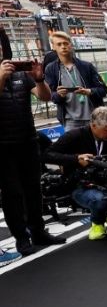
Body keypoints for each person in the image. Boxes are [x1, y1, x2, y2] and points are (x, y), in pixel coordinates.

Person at [43, 107, 107, 240]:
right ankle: (97, 223)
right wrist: (76, 159)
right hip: (82, 186)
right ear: (93, 126)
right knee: (100, 200)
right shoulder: (75, 136)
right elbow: (46, 155)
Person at [0, 43, 60, 255]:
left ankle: (38, 231)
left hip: (27, 139)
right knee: (12, 193)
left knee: (34, 189)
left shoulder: (20, 73)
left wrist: (39, 79)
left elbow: (45, 97)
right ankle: (21, 238)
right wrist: (1, 77)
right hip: (3, 146)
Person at [44, 30, 106, 131]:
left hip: (94, 117)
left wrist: (89, 91)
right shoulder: (51, 69)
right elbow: (51, 96)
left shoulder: (86, 66)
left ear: (71, 45)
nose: (63, 46)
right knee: (73, 142)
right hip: (70, 120)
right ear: (53, 47)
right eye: (59, 44)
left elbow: (103, 90)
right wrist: (59, 95)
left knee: (98, 141)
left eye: (65, 43)